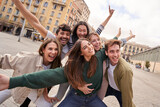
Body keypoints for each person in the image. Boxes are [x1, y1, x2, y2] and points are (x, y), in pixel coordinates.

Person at [0, 38, 108, 107]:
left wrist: (118, 37)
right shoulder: (72, 67)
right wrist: (11, 81)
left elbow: (112, 45)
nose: (90, 47)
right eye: (85, 47)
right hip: (75, 97)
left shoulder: (99, 55)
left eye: (89, 44)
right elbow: (48, 76)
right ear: (80, 53)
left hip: (93, 99)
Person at [0, 38, 62, 107]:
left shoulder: (55, 65)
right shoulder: (30, 57)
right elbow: (5, 60)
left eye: (56, 49)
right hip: (16, 83)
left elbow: (45, 82)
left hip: (32, 89)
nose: (53, 52)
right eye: (50, 49)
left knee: (46, 105)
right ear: (43, 50)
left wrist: (46, 96)